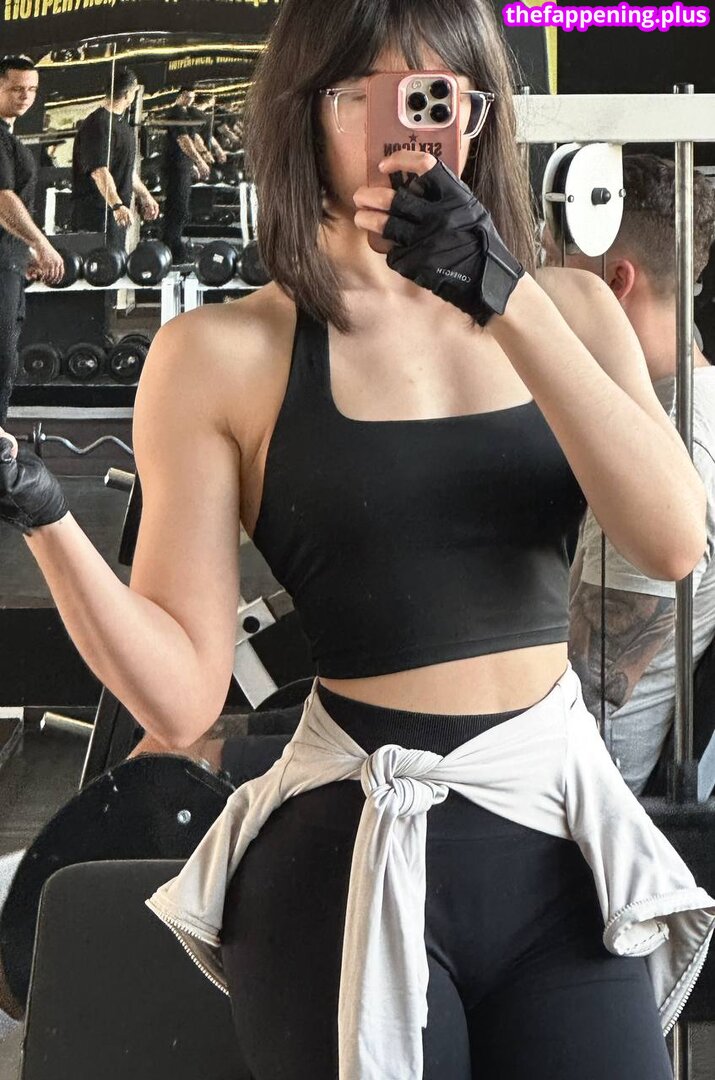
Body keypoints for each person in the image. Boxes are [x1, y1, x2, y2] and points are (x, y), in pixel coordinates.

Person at [0, 2, 714, 1077]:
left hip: (553, 834)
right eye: (373, 95)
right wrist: (43, 510)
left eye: (443, 97)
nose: (411, 127)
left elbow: (670, 542)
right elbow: (183, 699)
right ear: (307, 112)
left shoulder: (567, 307)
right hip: (344, 848)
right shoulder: (223, 354)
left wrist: (502, 293)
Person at [542, 154, 715, 795]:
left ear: (615, 281)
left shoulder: (664, 446)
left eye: (552, 267)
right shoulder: (693, 399)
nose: (537, 293)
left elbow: (588, 690)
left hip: (575, 796)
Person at [0, 55, 64, 426]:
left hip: (9, 263)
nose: (25, 96)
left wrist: (24, 252)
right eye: (16, 89)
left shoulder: (9, 138)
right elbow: (3, 200)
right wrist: (41, 245)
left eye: (32, 90)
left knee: (5, 358)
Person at [71, 66, 160, 249]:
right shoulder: (98, 124)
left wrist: (145, 195)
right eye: (134, 91)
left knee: (116, 261)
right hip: (97, 215)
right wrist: (117, 205)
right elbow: (99, 171)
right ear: (127, 94)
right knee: (100, 263)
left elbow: (127, 170)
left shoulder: (122, 125)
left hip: (115, 213)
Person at [160, 87, 210, 262]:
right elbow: (183, 140)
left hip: (183, 166)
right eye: (187, 97)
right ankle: (170, 250)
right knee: (177, 209)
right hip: (175, 167)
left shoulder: (185, 113)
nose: (190, 100)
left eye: (192, 98)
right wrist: (199, 161)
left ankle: (173, 247)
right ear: (179, 96)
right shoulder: (175, 113)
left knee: (181, 210)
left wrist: (194, 164)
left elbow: (192, 137)